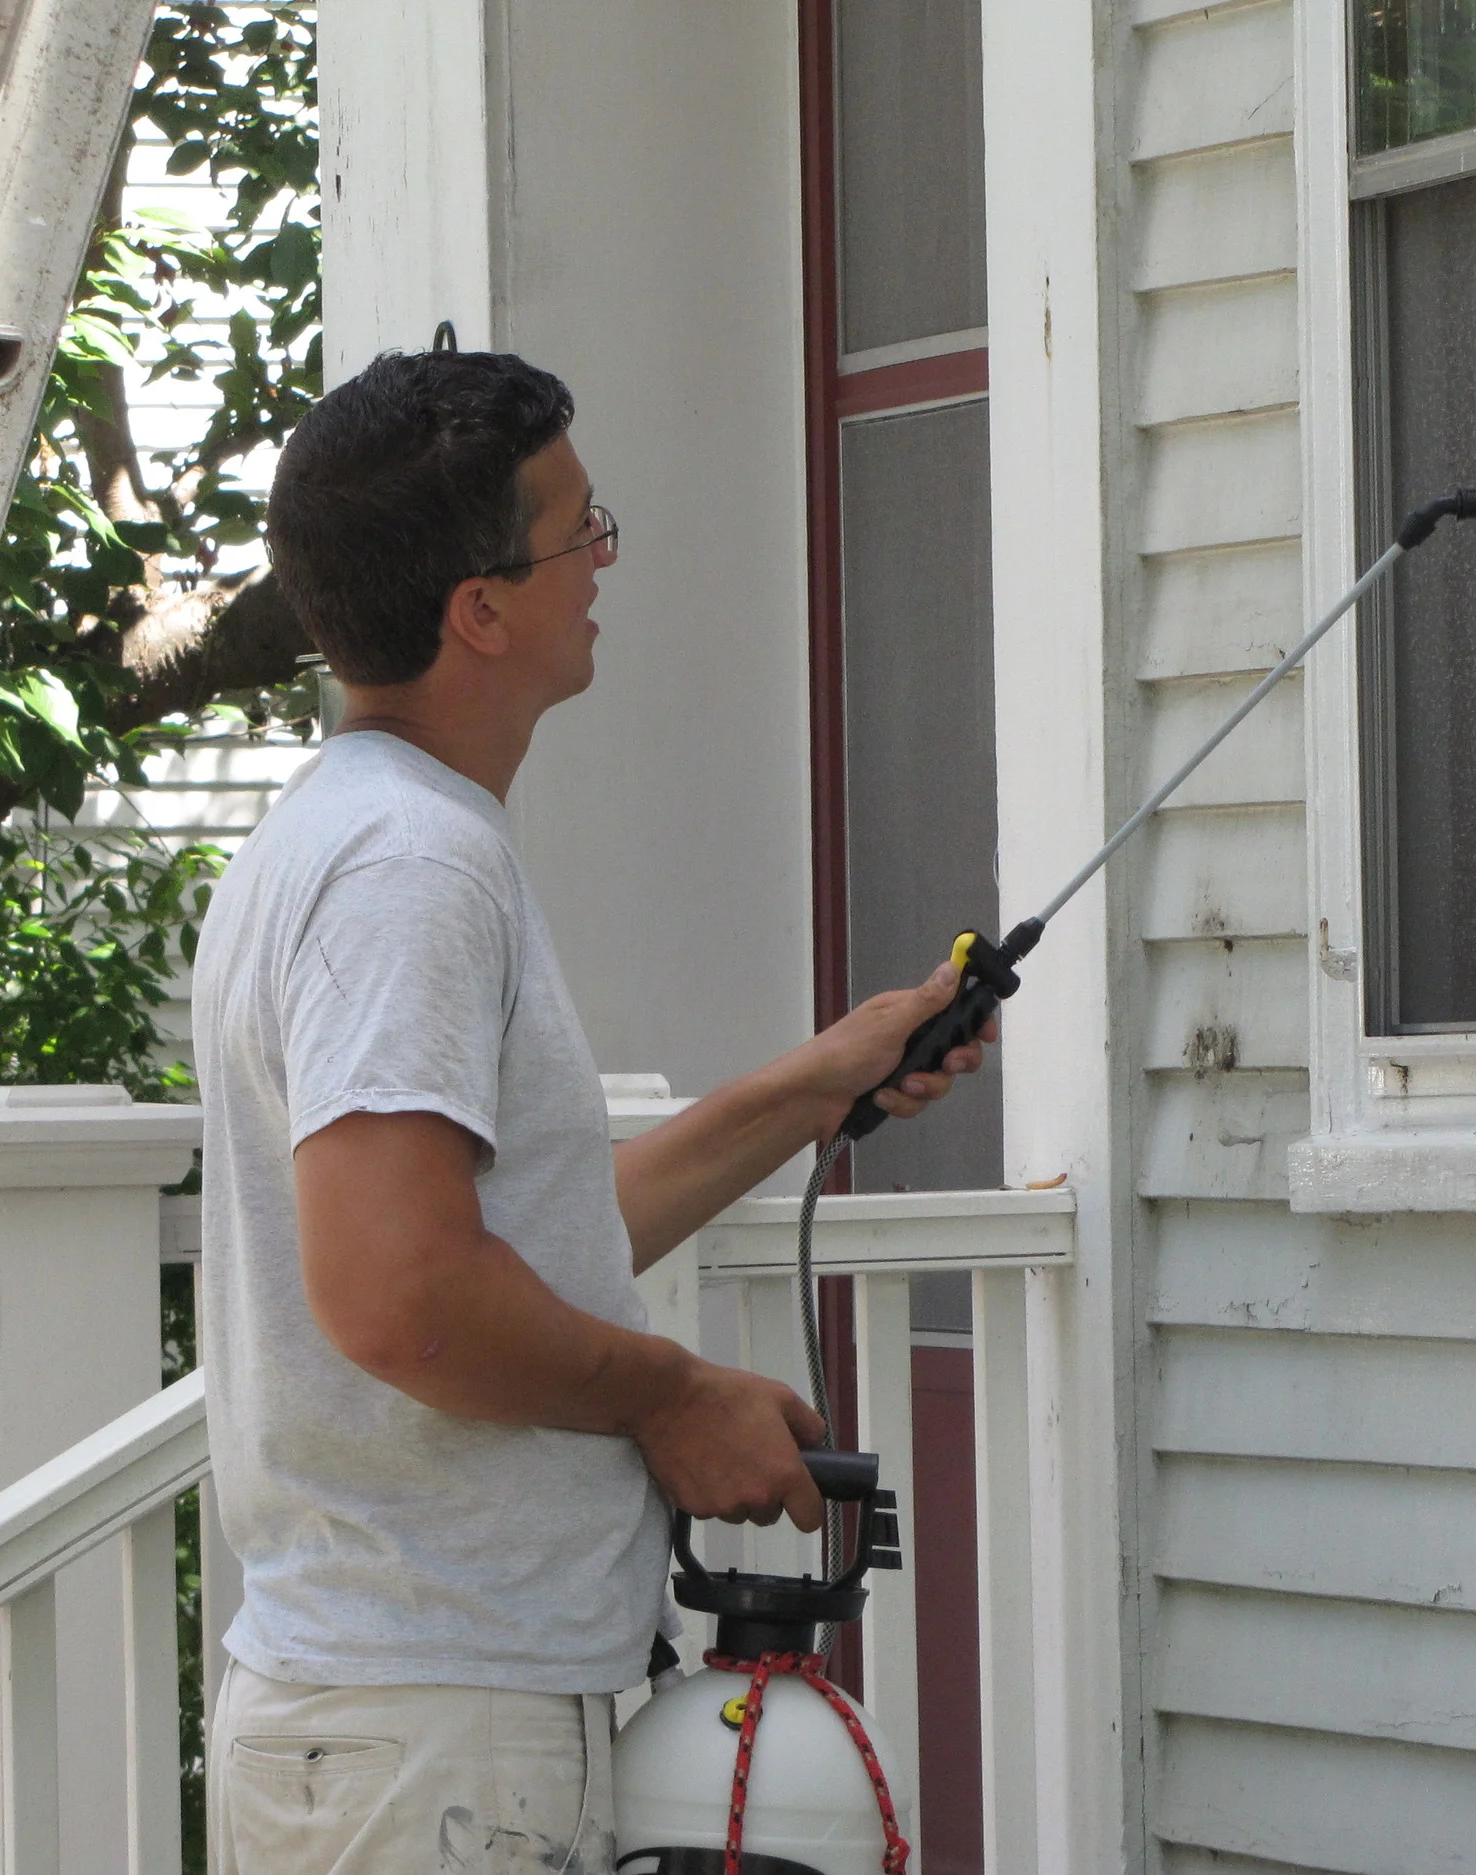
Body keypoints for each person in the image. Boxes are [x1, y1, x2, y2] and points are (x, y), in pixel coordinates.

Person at [193, 349, 989, 1873]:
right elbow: (407, 1296)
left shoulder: (340, 834)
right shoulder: (410, 871)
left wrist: (817, 1080)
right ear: (477, 609)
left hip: (399, 1715)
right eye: (579, 527)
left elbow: (516, 1246)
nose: (607, 554)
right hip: (440, 1728)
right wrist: (670, 1394)